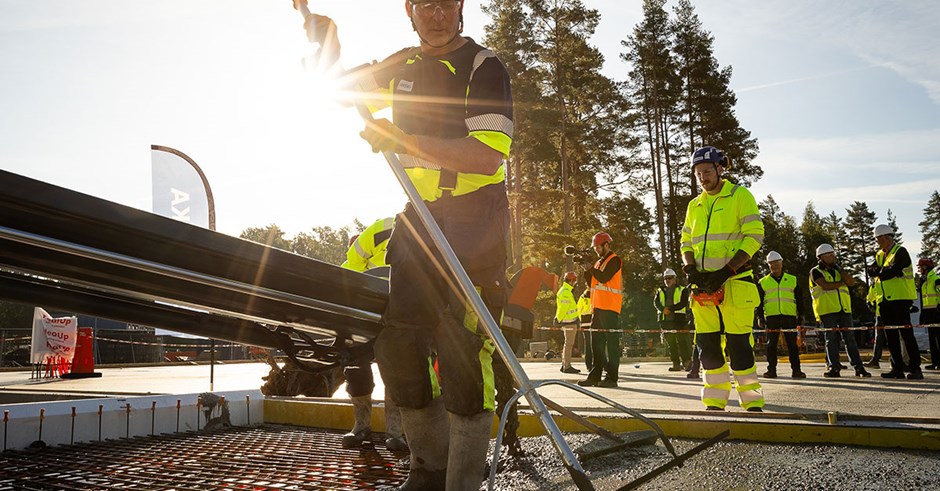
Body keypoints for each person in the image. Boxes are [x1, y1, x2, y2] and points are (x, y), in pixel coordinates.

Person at [348, 1, 515, 488]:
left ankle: (462, 477)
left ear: (460, 8)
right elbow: (341, 92)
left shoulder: (484, 67)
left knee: (462, 349)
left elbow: (486, 157)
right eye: (426, 4)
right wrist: (327, 46)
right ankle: (428, 465)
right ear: (409, 10)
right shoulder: (403, 63)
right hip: (418, 219)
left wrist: (403, 138)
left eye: (447, 3)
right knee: (397, 342)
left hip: (474, 220)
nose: (436, 14)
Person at [680, 146, 765, 412]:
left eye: (706, 171)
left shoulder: (740, 196)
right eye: (697, 173)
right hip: (703, 287)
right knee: (708, 347)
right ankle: (715, 402)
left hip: (735, 283)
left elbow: (754, 237)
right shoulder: (694, 205)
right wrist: (690, 269)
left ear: (720, 169)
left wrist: (726, 271)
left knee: (739, 347)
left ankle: (752, 402)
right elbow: (685, 241)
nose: (702, 177)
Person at [338, 218, 407, 452]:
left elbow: (347, 274)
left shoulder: (377, 233)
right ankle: (368, 427)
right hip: (375, 315)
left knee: (396, 371)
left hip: (395, 315)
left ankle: (394, 431)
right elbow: (349, 272)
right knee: (358, 364)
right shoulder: (383, 231)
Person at [868, 224, 923, 379]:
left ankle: (915, 368)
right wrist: (882, 272)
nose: (877, 242)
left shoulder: (901, 252)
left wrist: (880, 272)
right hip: (885, 300)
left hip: (900, 299)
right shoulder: (879, 255)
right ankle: (897, 368)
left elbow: (893, 271)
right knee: (891, 336)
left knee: (906, 334)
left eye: (878, 239)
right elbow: (871, 270)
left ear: (886, 237)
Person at [810, 244, 871, 378]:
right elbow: (825, 286)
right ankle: (834, 367)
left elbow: (851, 282)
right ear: (821, 257)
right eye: (829, 255)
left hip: (844, 309)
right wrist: (840, 283)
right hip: (827, 310)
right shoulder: (816, 271)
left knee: (850, 339)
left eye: (833, 254)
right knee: (831, 340)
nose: (833, 257)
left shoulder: (838, 270)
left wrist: (840, 270)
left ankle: (858, 367)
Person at [577, 232, 623, 389]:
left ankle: (612, 377)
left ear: (607, 245)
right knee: (596, 343)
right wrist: (586, 269)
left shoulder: (615, 260)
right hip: (597, 307)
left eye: (598, 247)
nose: (596, 250)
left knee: (611, 344)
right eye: (595, 247)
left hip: (610, 307)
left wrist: (591, 268)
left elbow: (604, 278)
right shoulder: (598, 263)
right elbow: (592, 282)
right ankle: (595, 376)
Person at [757, 251, 807, 379]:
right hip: (771, 317)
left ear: (781, 263)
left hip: (789, 316)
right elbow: (759, 302)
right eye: (771, 263)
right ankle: (771, 370)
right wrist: (760, 317)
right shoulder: (763, 282)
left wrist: (801, 315)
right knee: (771, 345)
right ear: (768, 265)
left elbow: (800, 299)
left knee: (792, 345)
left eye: (776, 262)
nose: (774, 265)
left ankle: (796, 370)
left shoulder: (792, 280)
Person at [653, 269, 692, 372]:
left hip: (679, 320)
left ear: (674, 279)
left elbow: (683, 303)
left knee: (682, 342)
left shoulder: (682, 290)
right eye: (665, 278)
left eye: (669, 278)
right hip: (665, 321)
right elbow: (656, 303)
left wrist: (670, 309)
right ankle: (676, 364)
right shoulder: (660, 290)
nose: (667, 280)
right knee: (671, 344)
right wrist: (662, 310)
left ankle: (686, 362)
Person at [555, 271, 581, 374]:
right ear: (570, 281)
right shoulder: (566, 292)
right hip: (569, 321)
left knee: (567, 344)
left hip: (568, 321)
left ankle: (564, 364)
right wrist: (558, 319)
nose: (575, 283)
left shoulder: (564, 290)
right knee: (569, 344)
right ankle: (567, 366)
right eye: (574, 281)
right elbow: (563, 308)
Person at [918, 258, 940, 370]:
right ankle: (935, 362)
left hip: (936, 313)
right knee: (931, 339)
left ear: (925, 267)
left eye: (920, 267)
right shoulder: (925, 281)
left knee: (939, 338)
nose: (919, 269)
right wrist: (922, 313)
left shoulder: (936, 279)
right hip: (928, 313)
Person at [577, 289, 593, 371]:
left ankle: (589, 365)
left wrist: (581, 321)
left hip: (584, 322)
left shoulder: (582, 297)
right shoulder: (593, 296)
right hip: (592, 322)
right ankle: (596, 365)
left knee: (588, 344)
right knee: (595, 344)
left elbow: (578, 310)